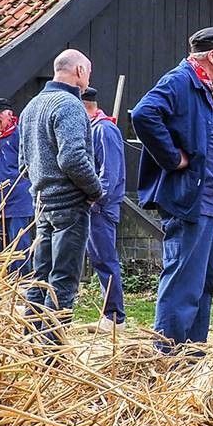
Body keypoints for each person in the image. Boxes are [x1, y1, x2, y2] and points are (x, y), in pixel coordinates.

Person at [131, 27, 213, 352]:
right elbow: (144, 114)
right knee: (183, 283)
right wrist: (172, 158)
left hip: (211, 205)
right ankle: (166, 358)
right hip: (192, 202)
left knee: (202, 286)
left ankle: (191, 358)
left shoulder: (205, 88)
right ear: (212, 55)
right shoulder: (180, 81)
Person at [18, 49, 105, 339]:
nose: (88, 77)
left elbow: (23, 162)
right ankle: (53, 354)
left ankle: (29, 344)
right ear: (79, 71)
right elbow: (73, 158)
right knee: (64, 281)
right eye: (88, 72)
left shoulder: (31, 106)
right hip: (69, 204)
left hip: (41, 203)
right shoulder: (69, 105)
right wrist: (95, 190)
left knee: (40, 278)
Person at [82, 87, 127, 331]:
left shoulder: (103, 130)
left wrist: (95, 199)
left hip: (100, 207)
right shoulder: (93, 129)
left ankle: (115, 317)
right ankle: (110, 314)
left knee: (105, 259)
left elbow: (109, 174)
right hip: (95, 205)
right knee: (99, 259)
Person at [0, 98, 33, 280]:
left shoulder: (20, 135)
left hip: (18, 198)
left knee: (19, 243)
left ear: (9, 115)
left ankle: (21, 282)